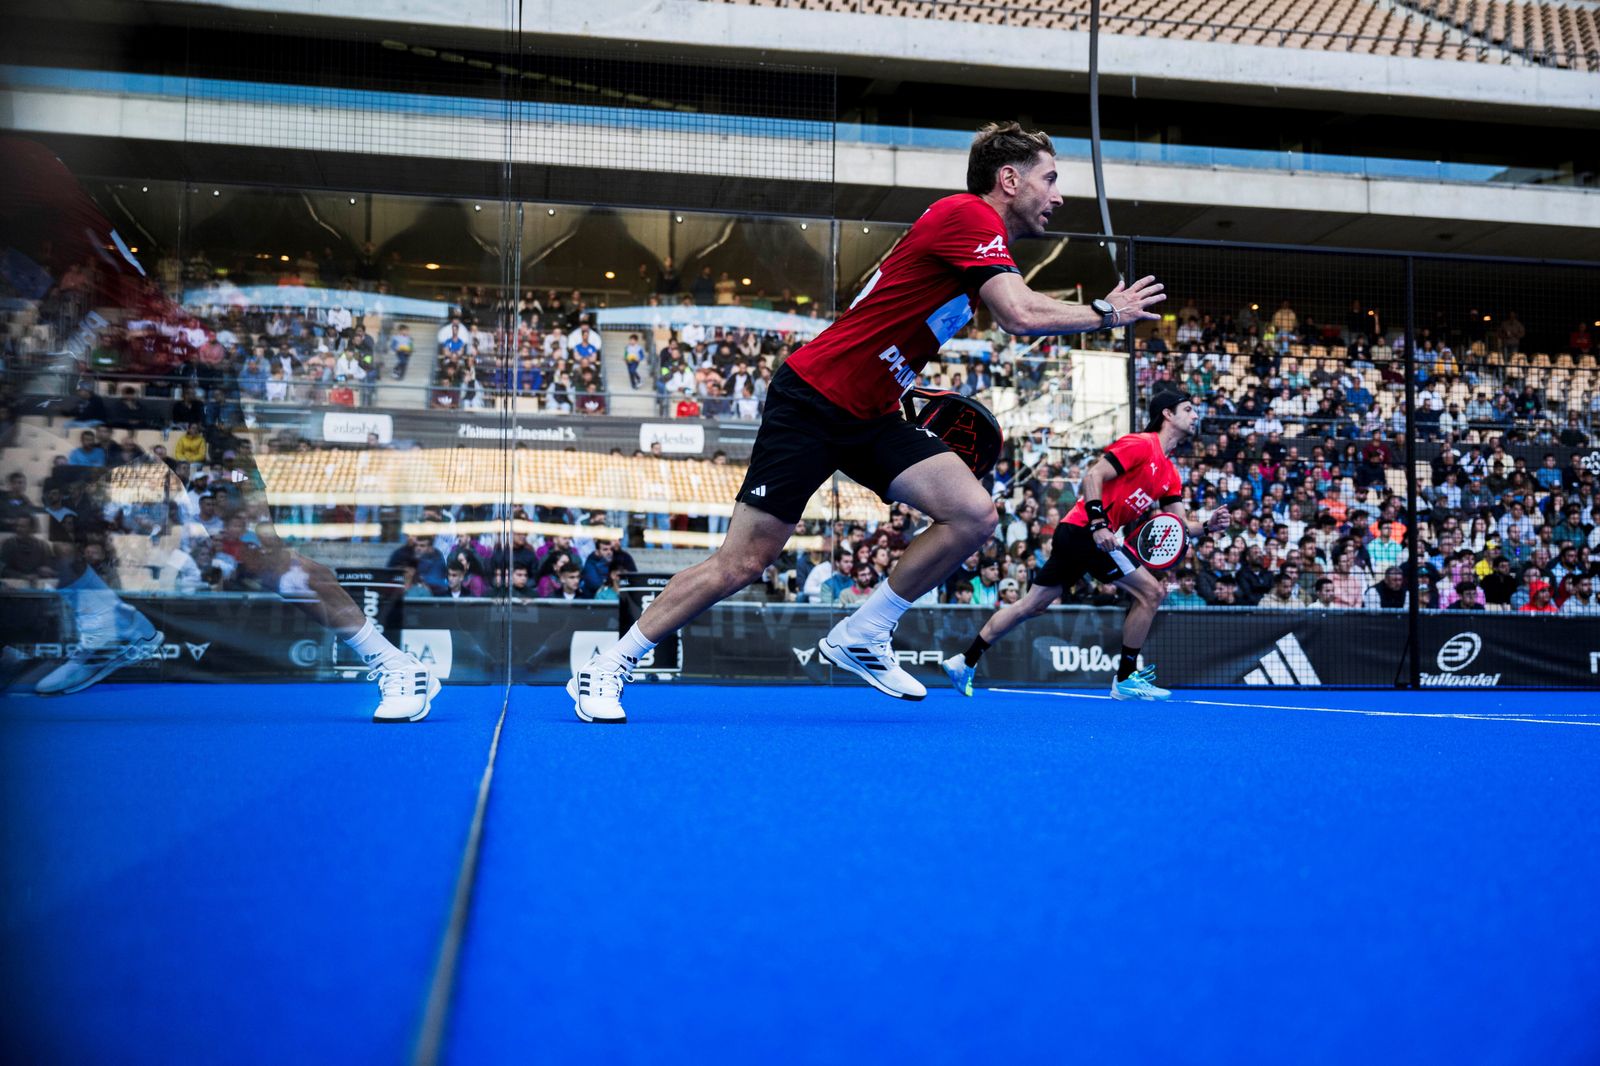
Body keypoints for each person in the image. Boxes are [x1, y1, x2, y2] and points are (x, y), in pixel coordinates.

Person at [566, 121, 1167, 722]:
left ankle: (863, 632)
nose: (1059, 195)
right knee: (743, 563)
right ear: (1009, 180)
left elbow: (900, 324)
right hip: (812, 399)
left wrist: (907, 382)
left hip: (874, 411)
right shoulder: (969, 216)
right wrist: (1104, 312)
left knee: (974, 514)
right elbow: (1020, 314)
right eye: (1050, 178)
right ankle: (608, 665)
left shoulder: (978, 245)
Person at [2, 137, 439, 723]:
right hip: (107, 386)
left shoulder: (22, 166)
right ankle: (104, 625)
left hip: (184, 381)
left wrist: (52, 365)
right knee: (38, 497)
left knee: (253, 552)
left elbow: (90, 286)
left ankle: (393, 663)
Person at [941, 385, 1227, 700]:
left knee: (1031, 606)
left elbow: (1180, 526)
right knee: (1151, 592)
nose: (1195, 414)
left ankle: (963, 661)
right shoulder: (1142, 444)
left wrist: (1208, 526)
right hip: (1086, 531)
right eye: (1188, 409)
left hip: (1082, 534)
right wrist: (1099, 524)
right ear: (1167, 414)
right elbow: (1093, 476)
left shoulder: (1171, 474)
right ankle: (1126, 678)